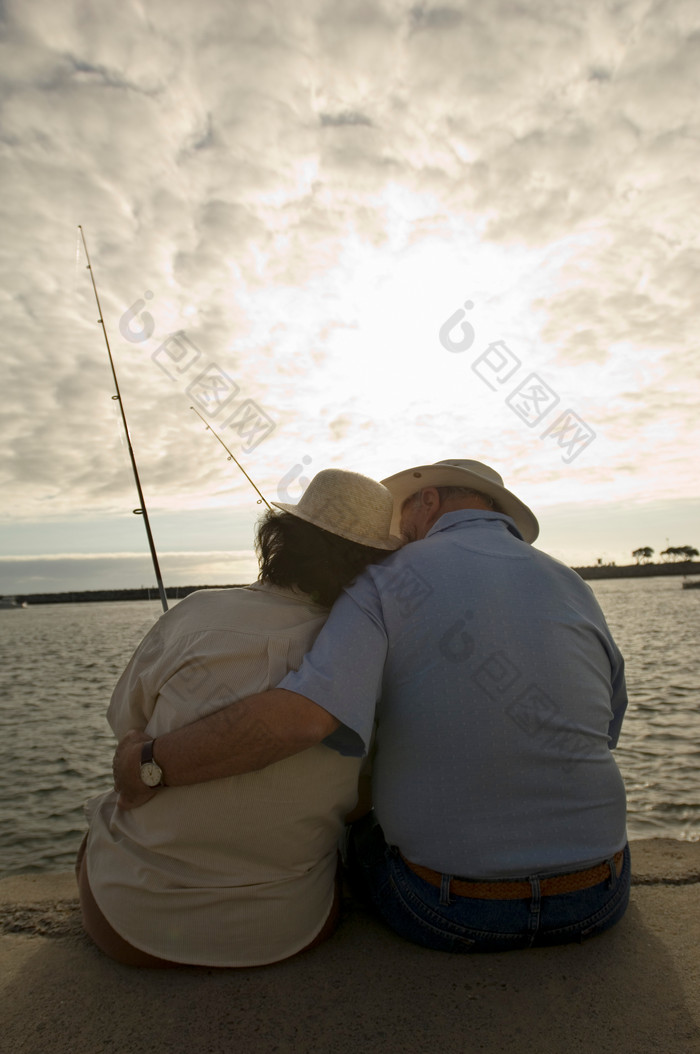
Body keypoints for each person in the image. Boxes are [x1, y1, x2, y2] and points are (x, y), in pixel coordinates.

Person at [113, 458, 630, 953]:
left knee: (356, 828)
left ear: (429, 500)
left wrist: (149, 764)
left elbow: (306, 718)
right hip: (598, 894)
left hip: (450, 910)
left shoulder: (391, 578)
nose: (399, 534)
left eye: (403, 513)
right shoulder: (572, 583)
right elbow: (605, 729)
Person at [78, 469, 399, 967]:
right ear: (377, 567)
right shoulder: (369, 659)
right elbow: (359, 798)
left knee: (98, 819)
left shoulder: (195, 614)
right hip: (290, 929)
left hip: (130, 925)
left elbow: (126, 725)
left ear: (281, 540)